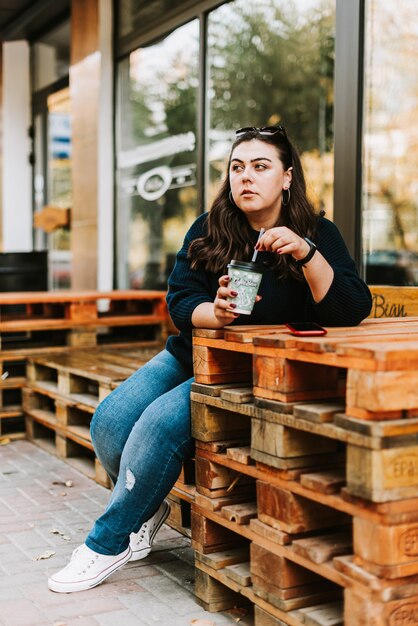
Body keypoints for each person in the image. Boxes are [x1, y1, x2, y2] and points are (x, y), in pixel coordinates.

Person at [48, 125, 372, 593]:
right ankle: (146, 504)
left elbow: (351, 310)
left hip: (249, 371)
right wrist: (214, 313)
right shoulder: (209, 227)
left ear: (286, 176)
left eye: (261, 166)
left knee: (157, 428)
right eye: (237, 167)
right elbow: (180, 300)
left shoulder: (318, 233)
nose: (246, 177)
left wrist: (307, 254)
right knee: (109, 422)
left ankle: (107, 541)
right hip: (194, 353)